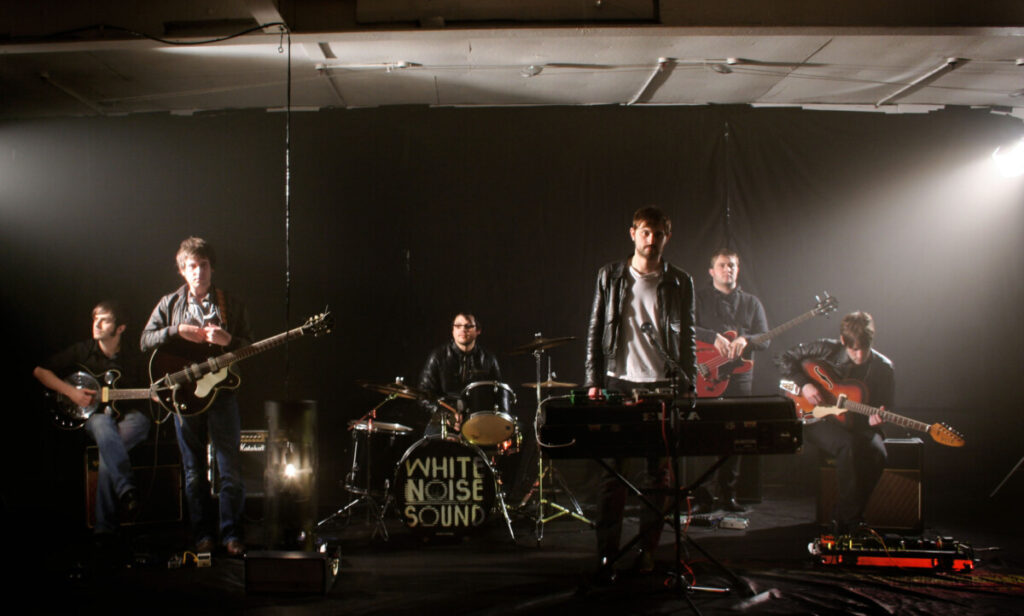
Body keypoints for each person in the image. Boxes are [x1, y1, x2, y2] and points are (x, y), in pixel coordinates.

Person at [584, 206, 697, 578]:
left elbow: (688, 337)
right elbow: (595, 329)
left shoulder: (680, 281)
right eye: (646, 232)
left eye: (658, 233)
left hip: (662, 386)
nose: (651, 239)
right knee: (612, 475)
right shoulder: (610, 275)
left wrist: (689, 386)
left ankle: (647, 551)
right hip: (619, 383)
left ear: (667, 237)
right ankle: (607, 555)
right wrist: (593, 381)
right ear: (632, 233)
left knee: (657, 477)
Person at [141, 237, 252, 555]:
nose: (199, 271)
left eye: (203, 265)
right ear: (182, 270)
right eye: (192, 266)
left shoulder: (231, 303)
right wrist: (176, 330)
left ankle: (231, 536)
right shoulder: (169, 304)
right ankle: (203, 535)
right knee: (193, 471)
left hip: (222, 394)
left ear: (211, 268)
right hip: (185, 396)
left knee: (229, 468)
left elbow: (250, 346)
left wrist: (229, 340)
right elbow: (145, 340)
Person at [33, 300, 151, 543]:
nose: (96, 324)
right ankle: (126, 492)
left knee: (112, 446)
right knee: (103, 428)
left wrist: (155, 394)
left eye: (104, 320)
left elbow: (148, 390)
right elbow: (40, 371)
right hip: (96, 417)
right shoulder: (83, 350)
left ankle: (105, 529)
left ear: (120, 328)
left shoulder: (133, 356)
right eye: (95, 318)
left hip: (131, 416)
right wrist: (71, 392)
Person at [775, 311, 892, 534]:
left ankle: (844, 515)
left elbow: (887, 404)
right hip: (818, 417)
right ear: (842, 341)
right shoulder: (825, 348)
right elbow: (783, 357)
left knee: (878, 453)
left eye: (864, 349)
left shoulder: (883, 367)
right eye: (853, 349)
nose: (859, 355)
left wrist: (879, 416)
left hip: (860, 422)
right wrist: (804, 384)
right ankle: (852, 522)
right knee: (848, 446)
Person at [694, 248, 769, 512]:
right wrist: (712, 336)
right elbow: (683, 328)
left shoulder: (752, 303)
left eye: (733, 265)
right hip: (707, 373)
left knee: (735, 433)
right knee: (705, 432)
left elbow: (765, 339)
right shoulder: (698, 299)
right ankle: (702, 497)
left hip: (740, 378)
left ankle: (727, 496)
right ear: (711, 271)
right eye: (723, 265)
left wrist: (746, 339)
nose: (729, 269)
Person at [417, 312, 502, 437]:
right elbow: (423, 394)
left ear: (478, 330)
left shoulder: (489, 359)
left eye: (468, 326)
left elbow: (499, 395)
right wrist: (443, 414)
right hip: (443, 419)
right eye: (458, 326)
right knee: (431, 446)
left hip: (477, 422)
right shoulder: (438, 356)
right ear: (452, 330)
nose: (463, 329)